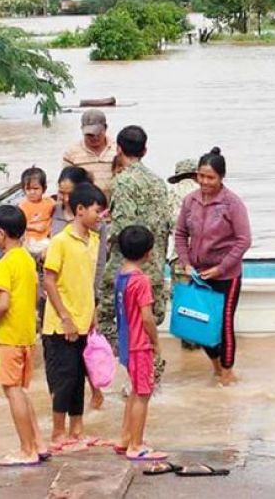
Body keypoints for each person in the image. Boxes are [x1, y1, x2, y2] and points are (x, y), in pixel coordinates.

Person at [98, 126, 171, 385]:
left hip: (125, 268)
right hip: (153, 265)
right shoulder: (158, 183)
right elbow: (165, 226)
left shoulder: (121, 182)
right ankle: (151, 374)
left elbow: (120, 229)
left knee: (108, 321)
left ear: (118, 149)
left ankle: (135, 375)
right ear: (145, 150)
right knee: (147, 323)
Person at [175, 148, 252, 386]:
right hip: (198, 274)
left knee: (225, 323)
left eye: (211, 178)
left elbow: (244, 240)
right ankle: (217, 368)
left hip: (226, 274)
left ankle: (227, 374)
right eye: (201, 176)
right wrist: (186, 263)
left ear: (221, 178)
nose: (205, 182)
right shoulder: (190, 201)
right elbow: (180, 233)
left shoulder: (232, 203)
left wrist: (221, 268)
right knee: (202, 325)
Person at [42, 182, 107, 451]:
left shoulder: (93, 239)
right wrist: (65, 317)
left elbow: (87, 281)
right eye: (96, 211)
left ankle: (77, 429)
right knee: (65, 378)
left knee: (80, 375)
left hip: (84, 320)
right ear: (80, 210)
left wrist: (92, 315)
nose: (100, 217)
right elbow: (48, 281)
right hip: (60, 324)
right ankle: (58, 432)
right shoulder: (60, 241)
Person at [0, 205, 48, 467]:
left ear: (1, 233)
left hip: (9, 336)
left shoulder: (5, 263)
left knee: (12, 392)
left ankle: (26, 450)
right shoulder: (26, 258)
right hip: (27, 335)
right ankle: (38, 443)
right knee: (21, 391)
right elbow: (35, 296)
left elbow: (2, 304)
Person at [52, 167, 109, 410]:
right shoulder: (52, 212)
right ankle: (59, 405)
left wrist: (93, 299)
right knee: (60, 360)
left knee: (84, 352)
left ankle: (93, 392)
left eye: (69, 193)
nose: (65, 199)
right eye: (61, 193)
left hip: (82, 297)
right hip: (57, 293)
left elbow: (97, 265)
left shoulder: (96, 227)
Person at [113, 225, 168, 461]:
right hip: (140, 344)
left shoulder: (120, 276)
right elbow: (147, 317)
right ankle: (136, 445)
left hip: (126, 341)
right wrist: (155, 341)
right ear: (149, 252)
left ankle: (125, 438)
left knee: (135, 391)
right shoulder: (141, 281)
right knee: (143, 393)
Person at [167, 158, 201, 351]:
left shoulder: (171, 193)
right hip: (202, 259)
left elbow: (165, 228)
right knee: (200, 302)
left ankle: (188, 345)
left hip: (178, 257)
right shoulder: (202, 193)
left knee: (182, 304)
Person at [62, 109, 117, 201]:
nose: (95, 137)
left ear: (105, 128)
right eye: (90, 134)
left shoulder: (117, 150)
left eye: (98, 133)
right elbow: (66, 183)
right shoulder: (71, 153)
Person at [18, 167, 55, 256]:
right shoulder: (22, 206)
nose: (32, 192)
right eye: (28, 189)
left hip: (46, 239)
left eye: (36, 188)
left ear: (44, 188)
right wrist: (34, 227)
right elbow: (20, 226)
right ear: (23, 190)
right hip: (30, 240)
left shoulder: (50, 203)